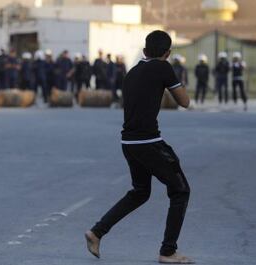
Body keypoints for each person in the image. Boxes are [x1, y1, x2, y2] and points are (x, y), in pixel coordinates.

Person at [85, 30, 194, 264]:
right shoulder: (163, 67)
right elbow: (185, 102)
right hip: (148, 142)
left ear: (144, 51)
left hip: (129, 143)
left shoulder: (132, 72)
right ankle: (168, 252)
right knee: (181, 191)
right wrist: (170, 72)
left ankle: (96, 233)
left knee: (140, 192)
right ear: (168, 53)